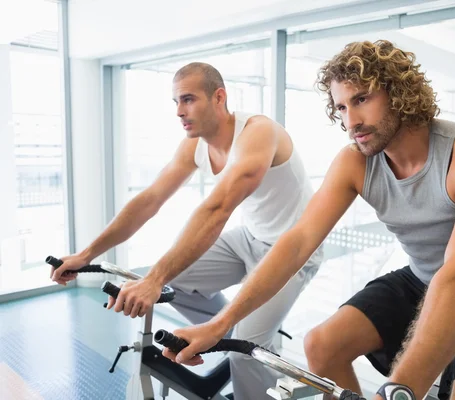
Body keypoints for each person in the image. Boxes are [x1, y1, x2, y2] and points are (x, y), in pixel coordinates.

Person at [162, 40, 455, 400]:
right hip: (419, 280)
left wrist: (398, 389)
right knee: (321, 345)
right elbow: (297, 241)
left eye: (361, 99)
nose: (351, 120)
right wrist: (218, 325)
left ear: (399, 93)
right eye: (341, 107)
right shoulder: (355, 161)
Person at [50, 62, 322, 400]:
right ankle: (227, 331)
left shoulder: (259, 132)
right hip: (248, 239)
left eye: (189, 99)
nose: (179, 111)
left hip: (293, 251)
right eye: (176, 102)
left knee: (243, 348)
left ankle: (242, 342)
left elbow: (217, 209)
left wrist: (152, 281)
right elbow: (149, 200)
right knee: (176, 280)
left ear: (219, 97)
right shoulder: (194, 146)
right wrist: (86, 254)